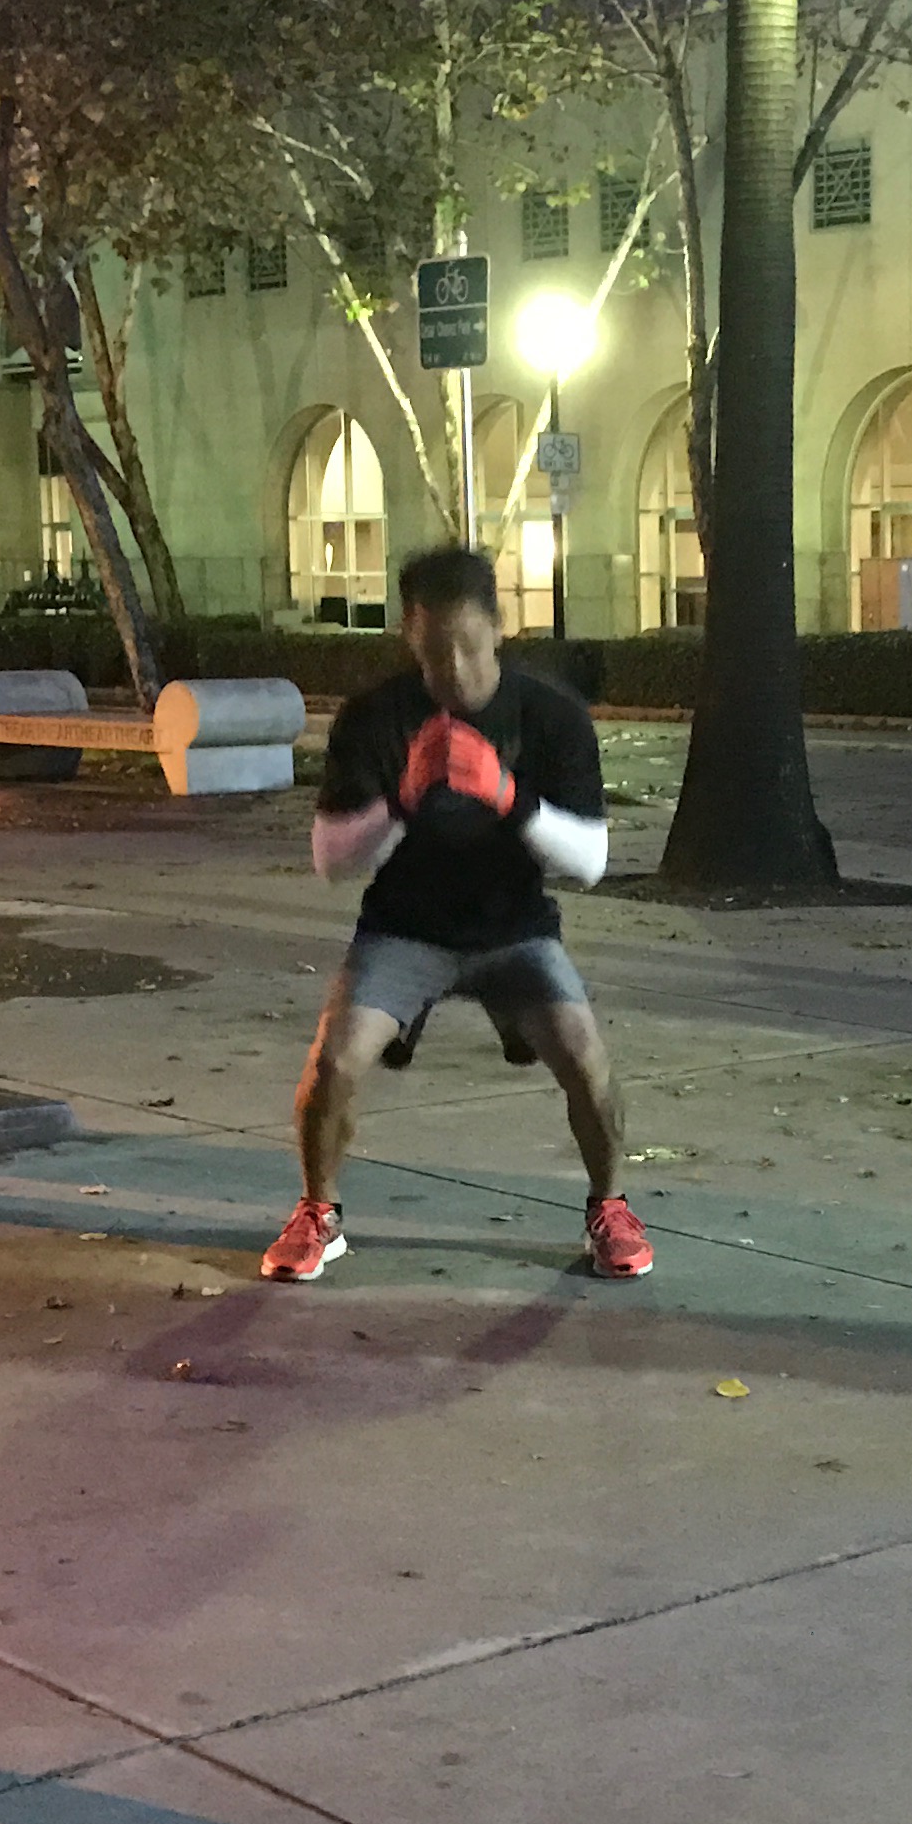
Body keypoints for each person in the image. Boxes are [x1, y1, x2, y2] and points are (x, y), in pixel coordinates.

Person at [264, 542, 652, 1285]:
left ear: (499, 627)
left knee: (585, 1054)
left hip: (515, 928)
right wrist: (402, 800)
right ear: (409, 637)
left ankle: (610, 1208)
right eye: (435, 652)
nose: (455, 669)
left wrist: (507, 795)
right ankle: (319, 1212)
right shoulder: (375, 717)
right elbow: (331, 860)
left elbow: (591, 861)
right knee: (335, 1060)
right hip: (403, 927)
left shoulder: (550, 715)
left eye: (470, 647)